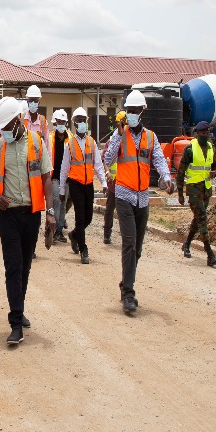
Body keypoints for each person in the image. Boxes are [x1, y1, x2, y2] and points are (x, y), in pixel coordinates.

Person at [0, 97, 54, 345]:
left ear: (17, 121)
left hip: (31, 214)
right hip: (8, 215)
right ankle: (16, 323)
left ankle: (19, 307)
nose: (3, 131)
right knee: (13, 267)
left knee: (25, 267)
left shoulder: (36, 143)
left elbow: (47, 178)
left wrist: (50, 212)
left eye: (6, 127)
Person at [104, 90, 173, 314]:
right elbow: (108, 158)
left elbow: (159, 160)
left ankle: (125, 283)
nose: (132, 115)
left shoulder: (150, 137)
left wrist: (166, 177)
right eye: (129, 111)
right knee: (130, 243)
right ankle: (129, 294)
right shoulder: (120, 135)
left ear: (142, 112)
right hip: (123, 194)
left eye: (136, 111)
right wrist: (117, 133)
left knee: (138, 248)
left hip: (143, 198)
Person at [58, 107, 107, 264]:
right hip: (75, 184)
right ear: (74, 123)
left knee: (89, 218)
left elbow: (98, 165)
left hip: (89, 184)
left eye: (83, 120)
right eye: (78, 120)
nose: (81, 123)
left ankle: (73, 235)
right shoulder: (69, 144)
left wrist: (104, 183)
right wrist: (61, 189)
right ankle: (83, 248)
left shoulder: (91, 143)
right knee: (80, 217)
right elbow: (64, 168)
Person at [177, 121, 216, 266]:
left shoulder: (210, 147)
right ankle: (210, 255)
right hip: (193, 189)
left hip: (206, 190)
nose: (205, 135)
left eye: (207, 133)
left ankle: (187, 244)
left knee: (198, 220)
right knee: (202, 218)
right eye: (203, 133)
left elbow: (215, 164)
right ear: (197, 133)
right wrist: (180, 193)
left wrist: (215, 171)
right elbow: (181, 172)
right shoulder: (190, 149)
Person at [102, 111, 127, 244]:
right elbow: (105, 159)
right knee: (110, 209)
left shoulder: (131, 142)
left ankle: (127, 235)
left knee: (125, 211)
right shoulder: (111, 141)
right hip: (114, 183)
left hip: (126, 183)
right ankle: (107, 233)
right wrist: (107, 173)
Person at [49, 109, 71, 244]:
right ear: (55, 123)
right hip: (54, 177)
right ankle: (55, 229)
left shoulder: (70, 138)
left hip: (67, 177)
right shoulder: (50, 138)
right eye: (59, 122)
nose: (61, 124)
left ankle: (59, 230)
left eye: (63, 122)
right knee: (57, 202)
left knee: (63, 205)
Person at [23, 85, 51, 152]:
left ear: (39, 103)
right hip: (24, 159)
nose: (33, 103)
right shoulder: (21, 120)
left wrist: (48, 162)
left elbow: (47, 145)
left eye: (35, 100)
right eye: (31, 100)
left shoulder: (43, 122)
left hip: (38, 159)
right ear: (27, 102)